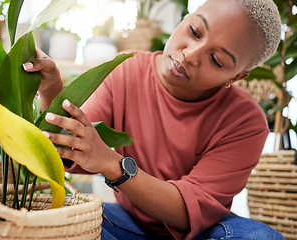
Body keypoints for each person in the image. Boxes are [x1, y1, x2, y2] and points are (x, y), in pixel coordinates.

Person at [23, 0, 286, 239]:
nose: (191, 54)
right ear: (186, 18)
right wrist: (51, 90)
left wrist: (111, 163)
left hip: (202, 234)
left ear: (236, 77)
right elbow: (70, 147)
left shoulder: (245, 121)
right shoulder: (127, 69)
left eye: (216, 60)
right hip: (125, 224)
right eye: (194, 31)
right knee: (62, 223)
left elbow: (186, 213)